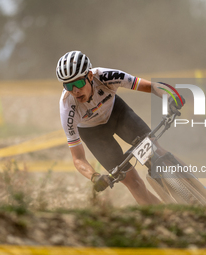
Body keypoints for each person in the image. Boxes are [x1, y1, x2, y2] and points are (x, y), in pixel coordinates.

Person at [56, 51, 183, 205]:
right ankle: (165, 216)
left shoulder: (105, 76)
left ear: (90, 76)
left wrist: (171, 96)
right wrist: (94, 176)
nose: (75, 90)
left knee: (156, 149)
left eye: (79, 83)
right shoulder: (67, 108)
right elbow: (78, 159)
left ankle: (200, 188)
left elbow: (150, 86)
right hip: (94, 134)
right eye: (68, 85)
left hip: (118, 114)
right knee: (133, 183)